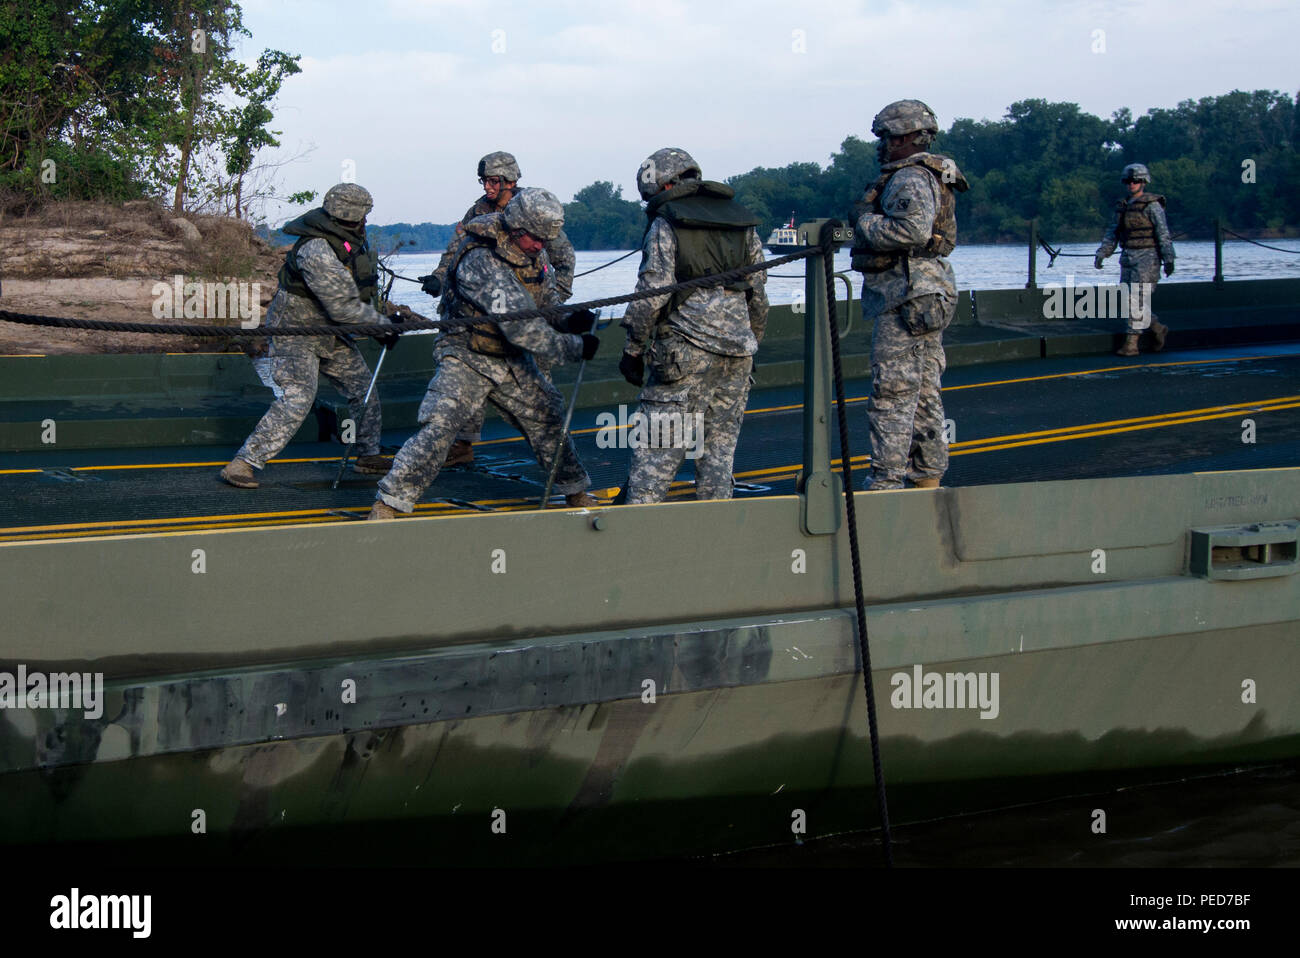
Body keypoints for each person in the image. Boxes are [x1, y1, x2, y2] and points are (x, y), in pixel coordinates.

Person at [368, 189, 599, 519]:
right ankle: (389, 502)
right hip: (468, 354)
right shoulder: (480, 258)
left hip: (511, 358)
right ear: (518, 229)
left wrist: (569, 318)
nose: (541, 246)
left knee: (548, 417)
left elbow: (545, 302)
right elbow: (521, 326)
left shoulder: (534, 250)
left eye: (546, 240)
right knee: (440, 423)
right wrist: (574, 348)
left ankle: (575, 490)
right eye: (536, 239)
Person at [220, 183, 402, 489]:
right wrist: (381, 326)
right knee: (299, 396)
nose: (366, 220)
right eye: (364, 214)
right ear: (354, 216)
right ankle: (244, 462)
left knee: (362, 387)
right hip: (296, 332)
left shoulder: (350, 241)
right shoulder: (316, 249)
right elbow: (343, 306)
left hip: (330, 331)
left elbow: (354, 295)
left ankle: (368, 454)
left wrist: (379, 322)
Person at [617, 147, 769, 504]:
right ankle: (717, 538)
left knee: (654, 460)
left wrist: (633, 349)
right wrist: (751, 342)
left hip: (683, 355)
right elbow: (759, 296)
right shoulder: (740, 220)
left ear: (665, 185)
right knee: (718, 458)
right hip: (737, 355)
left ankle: (630, 542)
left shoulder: (667, 221)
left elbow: (652, 293)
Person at [420, 151, 577, 467]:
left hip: (528, 319)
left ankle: (554, 456)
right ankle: (464, 446)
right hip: (483, 316)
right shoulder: (477, 212)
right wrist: (440, 278)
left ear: (510, 181)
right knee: (469, 377)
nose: (488, 188)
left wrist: (549, 302)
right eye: (484, 181)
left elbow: (564, 259)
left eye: (493, 182)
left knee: (538, 391)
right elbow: (456, 252)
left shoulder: (535, 211)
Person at [850, 99, 968, 491]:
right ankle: (927, 475)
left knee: (893, 392)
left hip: (906, 295)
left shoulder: (910, 178)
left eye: (885, 137)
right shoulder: (931, 174)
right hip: (927, 291)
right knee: (923, 391)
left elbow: (912, 231)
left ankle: (886, 480)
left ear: (905, 138)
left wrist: (863, 223)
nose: (881, 145)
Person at [1095, 162, 1176, 356]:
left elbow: (1163, 234)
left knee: (1136, 300)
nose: (1131, 184)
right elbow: (1112, 233)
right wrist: (1102, 253)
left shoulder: (1153, 206)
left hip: (1148, 258)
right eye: (1128, 181)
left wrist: (1169, 259)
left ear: (1143, 182)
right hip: (1128, 257)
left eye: (1135, 181)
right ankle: (1157, 328)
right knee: (1126, 300)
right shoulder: (1123, 207)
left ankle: (1131, 343)